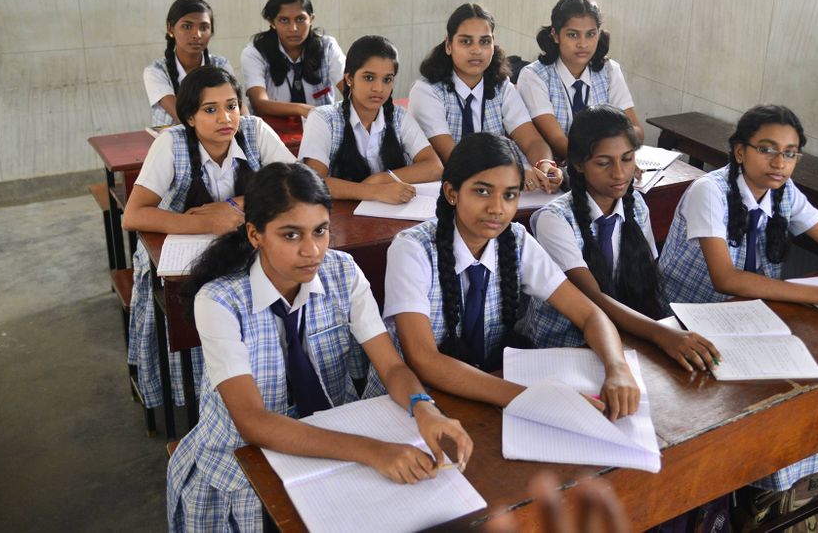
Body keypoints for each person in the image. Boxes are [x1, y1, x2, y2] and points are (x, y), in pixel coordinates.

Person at [166, 162, 473, 531]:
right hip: (245, 465)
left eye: (321, 231)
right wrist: (373, 450)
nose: (312, 250)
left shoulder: (342, 272)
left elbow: (391, 367)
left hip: (335, 442)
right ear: (255, 234)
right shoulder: (219, 301)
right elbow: (252, 422)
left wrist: (424, 408)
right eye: (291, 235)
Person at [658, 103, 818, 492]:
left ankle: (801, 480)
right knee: (752, 406)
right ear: (740, 151)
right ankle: (763, 490)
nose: (779, 162)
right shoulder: (709, 192)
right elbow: (726, 279)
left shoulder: (785, 193)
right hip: (690, 319)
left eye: (790, 153)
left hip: (755, 318)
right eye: (766, 149)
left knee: (812, 385)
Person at [382, 132, 639, 420]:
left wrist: (617, 368)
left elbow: (589, 314)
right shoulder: (412, 250)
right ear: (452, 193)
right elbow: (423, 360)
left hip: (486, 394)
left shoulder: (516, 240)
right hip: (416, 404)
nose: (497, 208)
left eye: (509, 195)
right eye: (482, 191)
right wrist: (533, 399)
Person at [123, 66, 296, 410]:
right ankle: (205, 397)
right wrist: (206, 223)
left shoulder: (254, 131)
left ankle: (266, 386)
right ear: (189, 117)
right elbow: (134, 215)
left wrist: (231, 206)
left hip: (240, 247)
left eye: (231, 106)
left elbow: (294, 183)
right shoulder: (171, 144)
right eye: (210, 109)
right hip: (177, 255)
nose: (225, 118)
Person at [522, 106, 719, 372]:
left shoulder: (636, 205)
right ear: (578, 164)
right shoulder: (554, 219)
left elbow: (648, 276)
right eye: (604, 163)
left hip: (626, 332)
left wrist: (665, 330)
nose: (619, 173)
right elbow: (593, 298)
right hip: (565, 345)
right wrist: (662, 334)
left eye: (627, 159)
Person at [407, 3, 563, 194]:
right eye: (466, 41)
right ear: (448, 45)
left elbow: (532, 141)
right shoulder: (426, 91)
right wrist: (512, 174)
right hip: (447, 192)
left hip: (497, 191)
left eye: (484, 41)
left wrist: (544, 166)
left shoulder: (501, 86)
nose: (476, 50)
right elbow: (453, 157)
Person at [299, 34, 442, 204]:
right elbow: (314, 182)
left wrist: (381, 178)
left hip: (389, 214)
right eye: (369, 77)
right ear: (349, 78)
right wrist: (375, 191)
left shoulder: (399, 117)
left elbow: (434, 167)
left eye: (387, 79)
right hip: (339, 216)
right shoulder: (323, 119)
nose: (379, 88)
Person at [517, 0, 643, 160]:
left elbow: (636, 131)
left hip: (606, 163)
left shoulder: (609, 71)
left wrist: (611, 156)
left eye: (590, 34)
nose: (583, 44)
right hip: (559, 167)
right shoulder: (534, 77)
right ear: (555, 35)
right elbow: (558, 142)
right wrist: (600, 159)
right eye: (573, 35)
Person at [241, 0, 345, 120]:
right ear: (272, 22)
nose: (293, 28)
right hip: (271, 130)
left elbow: (350, 90)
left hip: (322, 127)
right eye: (284, 20)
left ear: (311, 19)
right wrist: (301, 109)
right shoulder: (255, 52)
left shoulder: (327, 47)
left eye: (300, 19)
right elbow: (259, 103)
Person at [143, 0, 234, 127]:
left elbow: (239, 110)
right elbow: (182, 117)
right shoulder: (156, 71)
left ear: (211, 31)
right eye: (187, 26)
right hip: (174, 139)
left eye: (204, 27)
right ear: (170, 29)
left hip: (217, 136)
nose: (197, 34)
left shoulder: (220, 65)